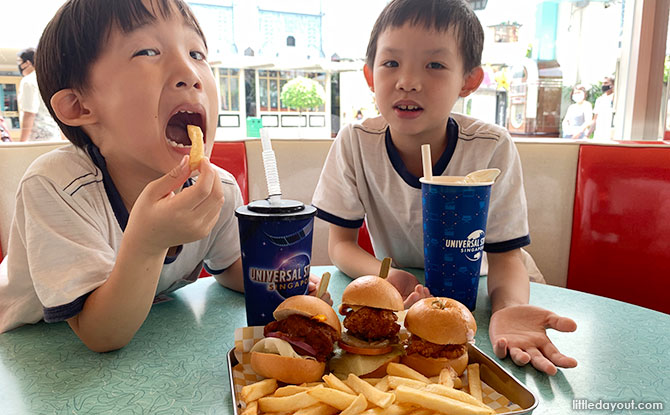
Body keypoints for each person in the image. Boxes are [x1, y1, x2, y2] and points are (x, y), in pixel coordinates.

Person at [0, 0, 329, 349]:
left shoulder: (217, 190)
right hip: (30, 348)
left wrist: (276, 283)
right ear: (80, 106)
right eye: (147, 51)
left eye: (197, 54)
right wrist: (148, 242)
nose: (189, 72)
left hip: (138, 341)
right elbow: (101, 333)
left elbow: (231, 265)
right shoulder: (58, 187)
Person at [312, 0, 577, 375]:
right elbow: (340, 245)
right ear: (370, 75)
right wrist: (386, 277)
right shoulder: (355, 142)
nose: (407, 81)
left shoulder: (491, 147)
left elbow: (506, 258)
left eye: (434, 65)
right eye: (391, 63)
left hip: (489, 291)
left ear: (469, 80)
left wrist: (507, 310)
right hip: (404, 300)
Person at [16, 48, 61, 141]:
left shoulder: (28, 81)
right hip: (53, 134)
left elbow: (29, 113)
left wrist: (22, 142)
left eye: (19, 61)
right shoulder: (49, 80)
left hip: (38, 137)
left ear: (27, 63)